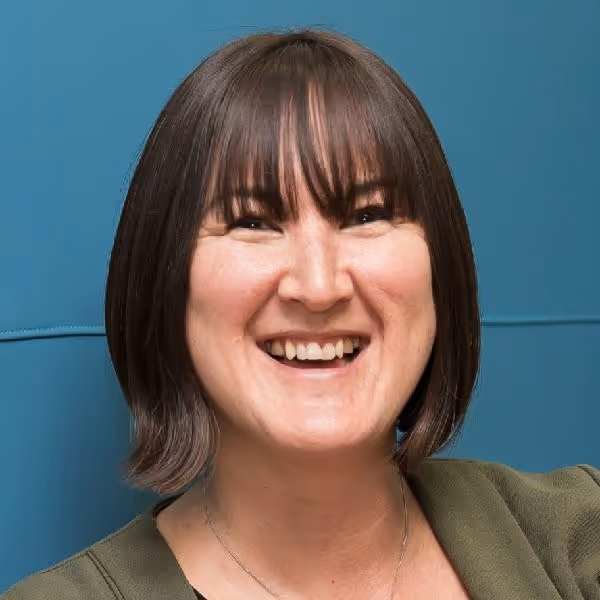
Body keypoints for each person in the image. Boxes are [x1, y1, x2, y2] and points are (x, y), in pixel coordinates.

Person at [3, 28, 599, 600]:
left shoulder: (576, 538)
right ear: (166, 281)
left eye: (366, 215)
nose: (318, 287)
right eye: (253, 222)